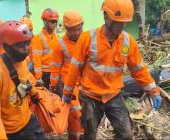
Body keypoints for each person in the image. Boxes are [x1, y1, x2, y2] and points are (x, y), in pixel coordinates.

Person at [63, 0, 162, 139]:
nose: (121, 26)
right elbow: (74, 68)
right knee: (89, 135)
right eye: (117, 21)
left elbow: (138, 70)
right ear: (106, 16)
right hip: (90, 96)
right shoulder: (87, 39)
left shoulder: (128, 41)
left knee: (127, 135)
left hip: (113, 95)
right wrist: (67, 93)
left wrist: (153, 91)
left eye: (125, 22)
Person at [0, 20, 44, 139]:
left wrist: (35, 94)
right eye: (21, 45)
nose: (27, 49)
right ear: (7, 47)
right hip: (7, 131)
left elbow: (26, 81)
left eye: (28, 43)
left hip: (26, 121)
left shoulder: (23, 60)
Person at [50, 10, 84, 140]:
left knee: (87, 111)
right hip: (68, 83)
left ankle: (84, 133)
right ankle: (74, 136)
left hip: (85, 82)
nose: (75, 33)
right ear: (66, 29)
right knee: (74, 111)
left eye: (78, 29)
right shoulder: (59, 44)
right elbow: (55, 68)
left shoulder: (85, 39)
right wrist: (53, 86)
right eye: (72, 30)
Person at [31, 8, 59, 89]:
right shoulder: (38, 38)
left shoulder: (56, 36)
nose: (55, 24)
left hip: (55, 72)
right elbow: (37, 59)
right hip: (45, 74)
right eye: (52, 21)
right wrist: (39, 78)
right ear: (45, 21)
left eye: (56, 21)